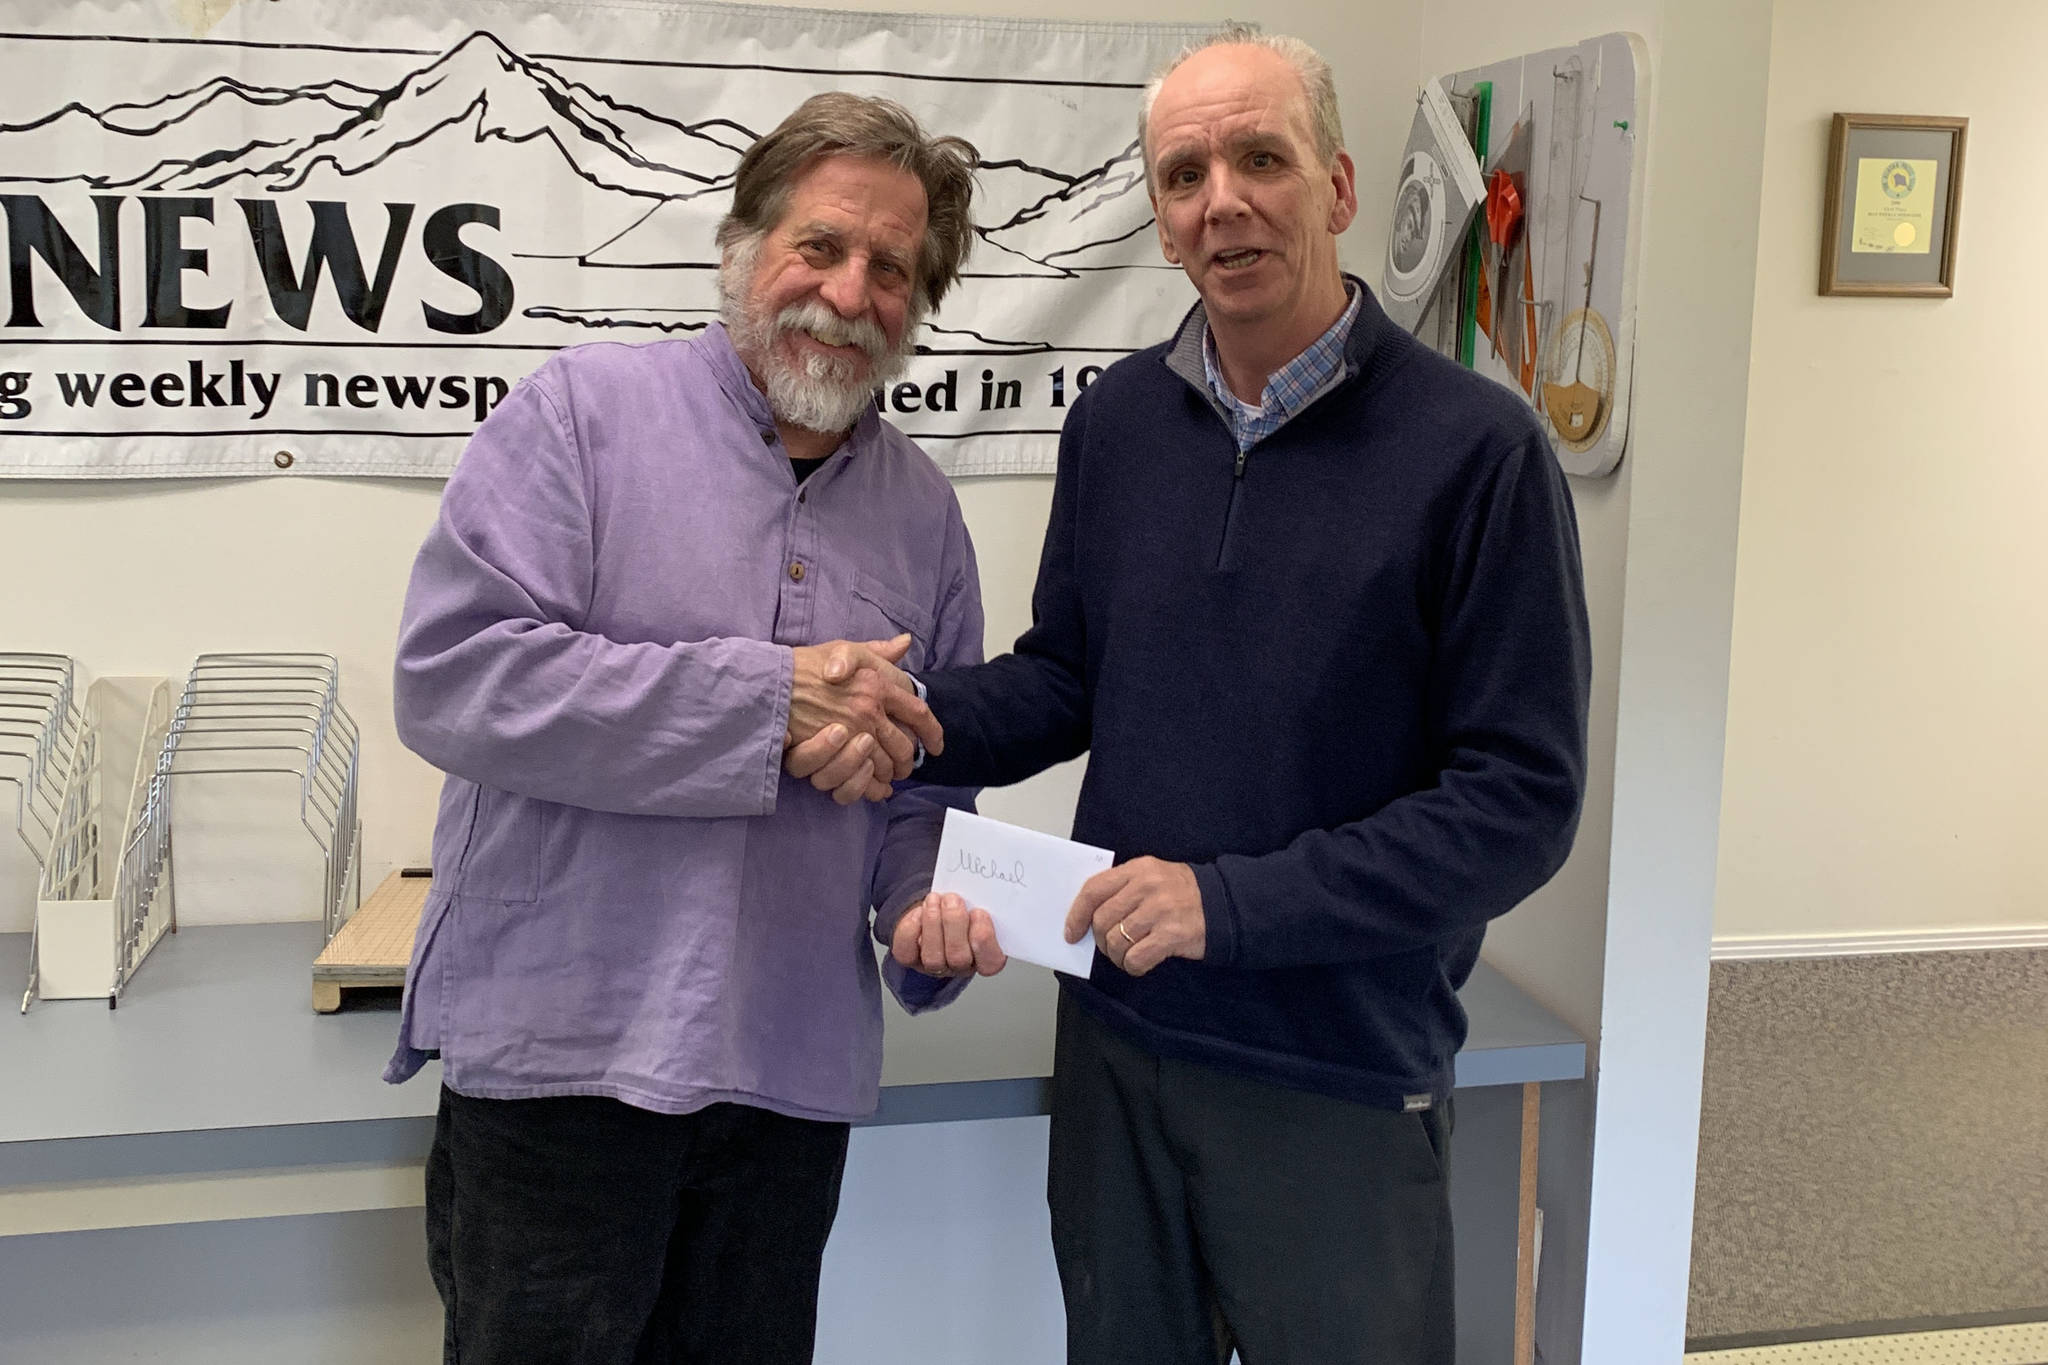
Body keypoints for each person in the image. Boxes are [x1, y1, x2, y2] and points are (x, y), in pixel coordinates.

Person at [790, 27, 1594, 1365]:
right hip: (1118, 1044)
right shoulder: (1115, 424)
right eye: (1184, 174)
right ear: (1162, 225)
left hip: (1334, 1072)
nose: (1222, 199)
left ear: (1336, 187)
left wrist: (1228, 906)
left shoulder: (1479, 453)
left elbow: (1519, 806)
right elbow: (1071, 674)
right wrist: (917, 710)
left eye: (1260, 158)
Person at [386, 93, 984, 1365]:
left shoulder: (927, 519)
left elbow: (925, 782)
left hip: (784, 1087)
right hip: (560, 1074)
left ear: (920, 303)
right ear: (742, 247)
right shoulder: (577, 421)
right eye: (819, 245)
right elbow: (454, 677)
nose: (848, 288)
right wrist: (767, 701)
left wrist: (927, 908)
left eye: (891, 267)